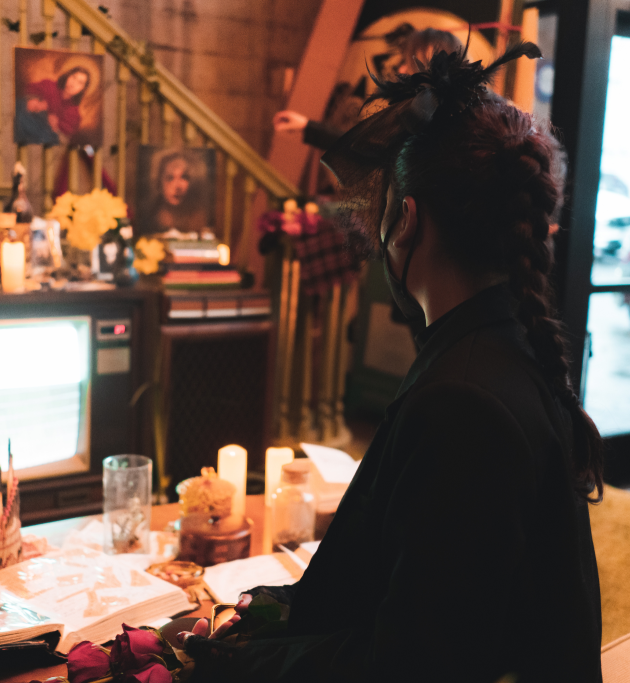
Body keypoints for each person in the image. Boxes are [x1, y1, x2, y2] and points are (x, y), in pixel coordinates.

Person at [176, 45, 603, 682]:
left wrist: (230, 668)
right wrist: (269, 618)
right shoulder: (499, 347)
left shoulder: (464, 402)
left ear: (403, 220)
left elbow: (414, 663)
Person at [272, 27, 464, 150]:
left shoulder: (440, 127)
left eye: (409, 62)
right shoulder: (443, 116)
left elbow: (366, 149)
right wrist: (307, 126)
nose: (402, 69)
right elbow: (367, 146)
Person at [15, 66, 90, 146]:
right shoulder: (49, 85)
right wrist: (33, 99)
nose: (73, 83)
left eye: (80, 82)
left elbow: (64, 140)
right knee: (20, 105)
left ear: (83, 89)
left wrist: (56, 127)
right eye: (73, 77)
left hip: (40, 138)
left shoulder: (75, 115)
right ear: (68, 76)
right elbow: (29, 90)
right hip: (24, 118)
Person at [146, 150, 210, 235]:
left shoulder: (199, 218)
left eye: (184, 177)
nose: (177, 186)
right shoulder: (151, 218)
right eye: (170, 178)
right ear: (159, 182)